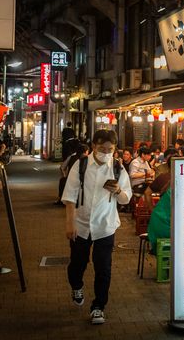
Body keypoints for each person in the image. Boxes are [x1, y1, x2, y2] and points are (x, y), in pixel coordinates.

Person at [62, 129, 132, 325]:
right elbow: (70, 196)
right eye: (102, 148)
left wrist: (118, 190)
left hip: (105, 226)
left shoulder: (118, 168)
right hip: (81, 224)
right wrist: (70, 223)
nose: (106, 152)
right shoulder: (81, 164)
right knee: (77, 264)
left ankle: (99, 307)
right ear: (93, 146)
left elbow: (127, 197)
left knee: (103, 268)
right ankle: (76, 286)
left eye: (110, 149)